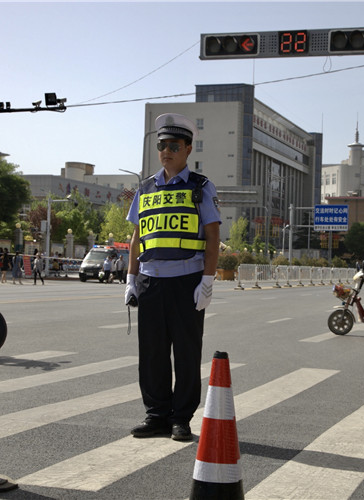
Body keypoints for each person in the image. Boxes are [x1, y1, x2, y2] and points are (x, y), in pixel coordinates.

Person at [124, 113, 221, 442]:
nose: (166, 151)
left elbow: (212, 236)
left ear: (188, 149)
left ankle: (181, 418)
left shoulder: (200, 187)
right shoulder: (145, 188)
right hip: (150, 282)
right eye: (162, 145)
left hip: (186, 282)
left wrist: (207, 281)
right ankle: (156, 416)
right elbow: (137, 236)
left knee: (186, 353)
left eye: (174, 146)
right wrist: (130, 279)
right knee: (152, 353)